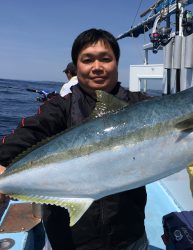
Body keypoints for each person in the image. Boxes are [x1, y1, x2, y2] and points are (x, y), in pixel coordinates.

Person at [0, 28, 150, 250]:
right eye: (87, 60)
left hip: (127, 236)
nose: (97, 67)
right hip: (68, 239)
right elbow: (29, 132)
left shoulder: (141, 105)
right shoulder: (61, 106)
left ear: (117, 63)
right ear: (76, 66)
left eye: (105, 59)